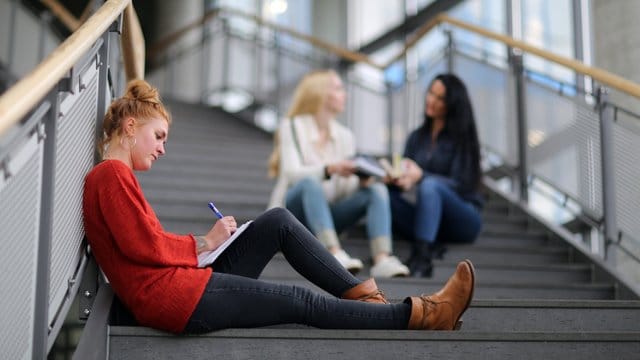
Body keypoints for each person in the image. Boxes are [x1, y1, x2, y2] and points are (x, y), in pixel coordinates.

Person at [82, 79, 475, 335]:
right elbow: (143, 247)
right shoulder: (111, 175)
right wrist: (203, 242)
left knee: (277, 222)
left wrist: (207, 247)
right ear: (130, 127)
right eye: (159, 136)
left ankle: (366, 297)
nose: (163, 147)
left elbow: (144, 244)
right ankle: (422, 314)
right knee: (301, 302)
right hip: (177, 300)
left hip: (183, 285)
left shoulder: (116, 175)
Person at [267, 69, 409, 278]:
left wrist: (362, 180)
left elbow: (344, 191)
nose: (345, 94)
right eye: (338, 89)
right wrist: (330, 168)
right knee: (310, 182)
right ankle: (332, 252)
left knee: (376, 189)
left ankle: (382, 258)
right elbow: (291, 173)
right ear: (321, 93)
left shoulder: (345, 136)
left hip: (328, 214)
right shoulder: (293, 127)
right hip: (294, 214)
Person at [387, 74, 483, 278]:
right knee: (382, 193)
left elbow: (463, 185)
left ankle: (422, 257)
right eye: (431, 93)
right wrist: (399, 180)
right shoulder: (416, 137)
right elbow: (409, 179)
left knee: (430, 186)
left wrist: (421, 176)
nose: (431, 100)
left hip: (462, 217)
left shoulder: (463, 139)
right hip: (427, 214)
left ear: (452, 104)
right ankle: (429, 240)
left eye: (440, 98)